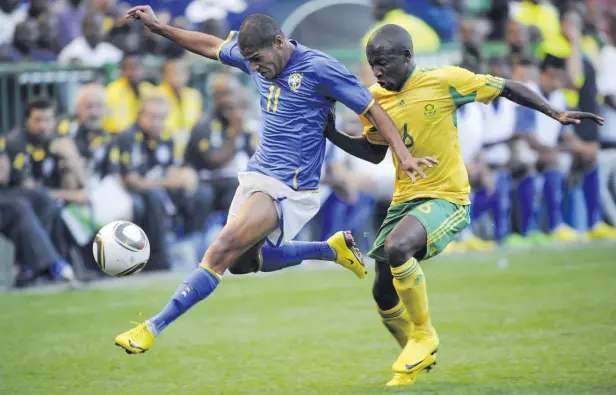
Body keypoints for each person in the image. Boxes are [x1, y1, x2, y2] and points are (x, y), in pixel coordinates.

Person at [115, 6, 432, 355]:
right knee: (241, 263)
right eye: (247, 60)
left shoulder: (319, 68)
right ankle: (329, 249)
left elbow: (372, 109)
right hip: (258, 175)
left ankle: (152, 327)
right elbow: (210, 45)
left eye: (257, 59)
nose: (253, 67)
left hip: (291, 189)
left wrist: (403, 155)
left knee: (221, 249)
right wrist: (159, 28)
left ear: (279, 42)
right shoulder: (255, 56)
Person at [324, 24, 603, 387]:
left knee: (397, 249)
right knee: (382, 290)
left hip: (447, 197)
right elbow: (375, 153)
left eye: (384, 62)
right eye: (372, 63)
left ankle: (424, 334)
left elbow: (506, 86)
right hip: (404, 201)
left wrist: (555, 113)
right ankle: (413, 351)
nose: (377, 71)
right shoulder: (375, 100)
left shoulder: (444, 81)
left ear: (407, 57)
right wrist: (333, 134)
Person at [58, 11, 123, 66]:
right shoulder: (73, 48)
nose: (92, 31)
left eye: (95, 27)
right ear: (83, 28)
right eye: (89, 26)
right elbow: (61, 63)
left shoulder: (107, 49)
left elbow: (120, 61)